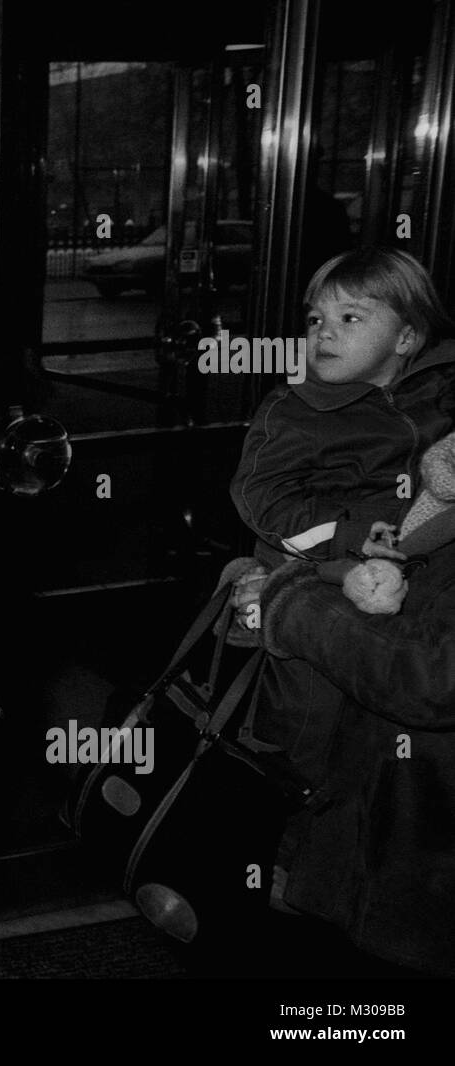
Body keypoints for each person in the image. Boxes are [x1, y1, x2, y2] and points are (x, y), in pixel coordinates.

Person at [229, 247, 455, 785]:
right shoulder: (295, 411)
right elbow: (264, 499)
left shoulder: (438, 394)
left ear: (405, 339)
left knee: (381, 736)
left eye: (350, 318)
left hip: (410, 580)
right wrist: (349, 537)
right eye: (315, 320)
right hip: (314, 572)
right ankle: (286, 811)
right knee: (309, 724)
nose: (323, 333)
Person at [231, 462, 455, 975]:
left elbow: (430, 677)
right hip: (384, 807)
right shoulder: (439, 460)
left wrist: (293, 604)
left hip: (427, 854)